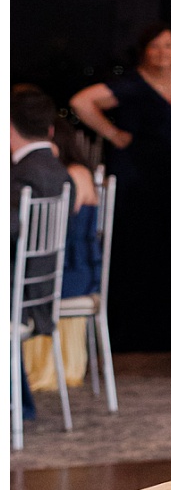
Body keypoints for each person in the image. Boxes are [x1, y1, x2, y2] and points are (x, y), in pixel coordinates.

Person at [71, 26, 171, 351]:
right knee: (140, 249)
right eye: (156, 46)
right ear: (144, 50)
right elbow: (81, 102)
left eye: (169, 46)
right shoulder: (131, 82)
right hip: (138, 177)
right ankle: (136, 331)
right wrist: (115, 134)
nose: (163, 52)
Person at [11, 88, 76, 421]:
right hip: (43, 292)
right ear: (49, 129)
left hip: (18, 299)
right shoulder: (60, 173)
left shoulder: (20, 176)